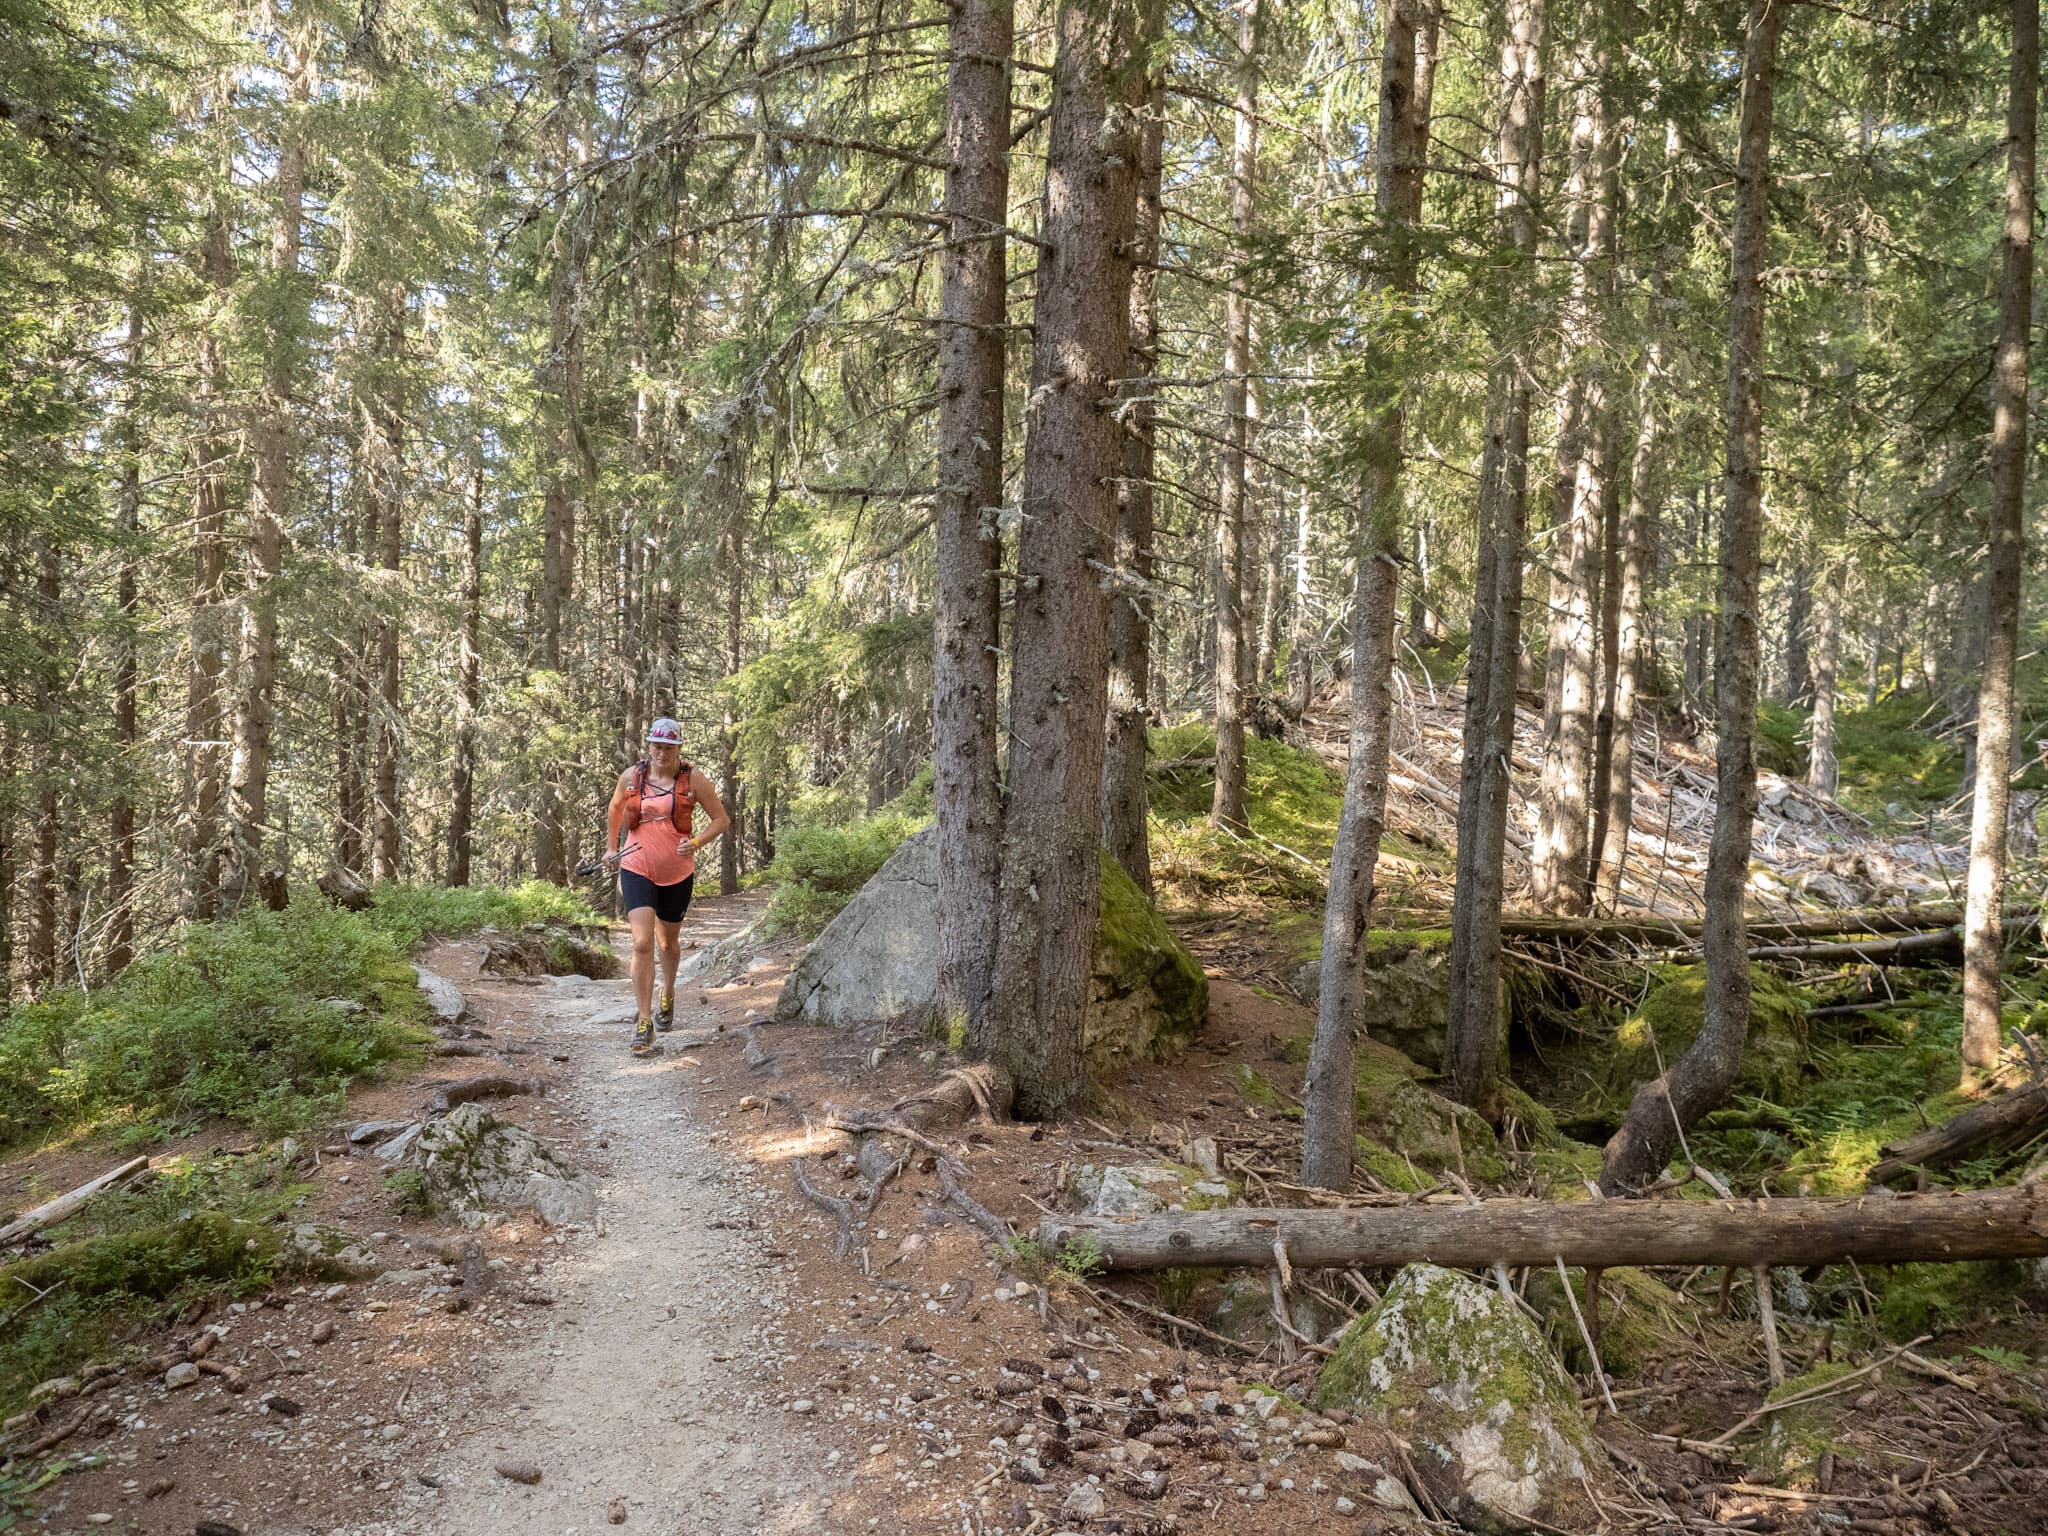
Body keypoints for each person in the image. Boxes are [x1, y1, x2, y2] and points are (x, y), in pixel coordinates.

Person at [603, 718, 730, 1054]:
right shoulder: (632, 777)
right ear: (649, 747)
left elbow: (721, 819)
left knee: (668, 943)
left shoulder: (693, 779)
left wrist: (698, 842)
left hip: (677, 871)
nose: (662, 752)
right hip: (636, 867)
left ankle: (668, 992)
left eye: (669, 747)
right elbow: (615, 808)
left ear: (678, 749)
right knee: (642, 943)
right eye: (657, 746)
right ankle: (644, 1024)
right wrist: (612, 848)